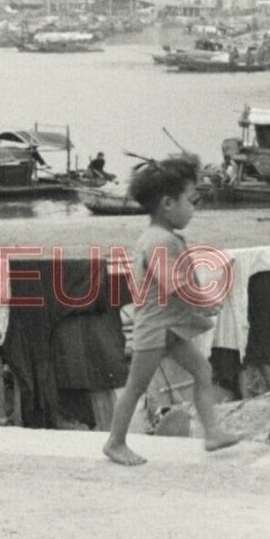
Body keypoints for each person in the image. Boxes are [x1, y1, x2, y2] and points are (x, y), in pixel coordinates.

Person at [103, 156, 240, 466]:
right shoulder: (160, 241)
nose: (194, 208)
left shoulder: (159, 237)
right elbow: (173, 284)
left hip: (170, 325)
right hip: (156, 327)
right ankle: (115, 442)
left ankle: (213, 433)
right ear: (167, 203)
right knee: (137, 385)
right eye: (190, 201)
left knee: (203, 371)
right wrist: (206, 301)